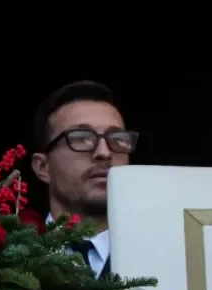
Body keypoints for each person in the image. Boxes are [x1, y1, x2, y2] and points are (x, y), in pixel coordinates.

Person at [30, 80, 139, 279]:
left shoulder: (166, 253)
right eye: (81, 137)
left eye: (117, 139)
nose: (104, 153)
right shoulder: (2, 261)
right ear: (42, 167)